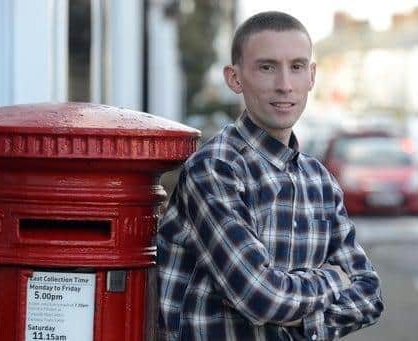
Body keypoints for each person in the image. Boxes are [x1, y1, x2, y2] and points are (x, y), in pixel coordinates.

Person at [157, 11, 384, 341]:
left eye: (296, 67)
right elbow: (261, 297)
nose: (284, 85)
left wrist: (303, 319)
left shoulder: (319, 180)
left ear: (312, 76)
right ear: (235, 78)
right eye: (267, 67)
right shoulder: (216, 170)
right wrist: (333, 279)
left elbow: (369, 296)